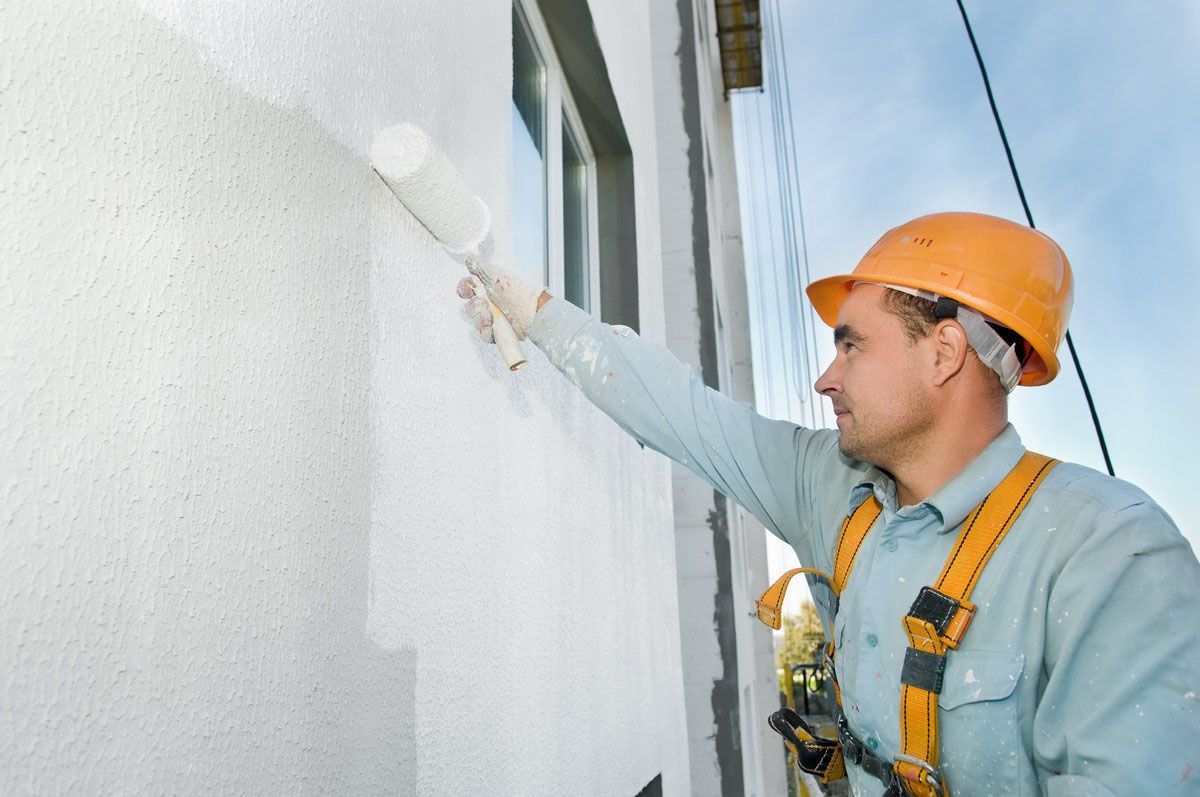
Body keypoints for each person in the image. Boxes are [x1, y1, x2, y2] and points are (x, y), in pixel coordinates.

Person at [456, 212, 1200, 795]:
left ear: (944, 353)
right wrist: (539, 315)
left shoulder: (1109, 552)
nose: (826, 377)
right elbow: (682, 412)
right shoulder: (835, 486)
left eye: (853, 346)